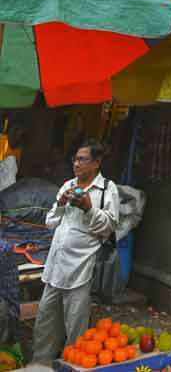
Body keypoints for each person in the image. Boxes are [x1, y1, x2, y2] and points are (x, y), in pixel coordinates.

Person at [33, 139, 119, 363]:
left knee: (76, 325)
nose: (76, 164)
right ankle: (40, 363)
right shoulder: (68, 185)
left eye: (82, 159)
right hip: (55, 266)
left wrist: (89, 208)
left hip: (81, 268)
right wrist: (61, 203)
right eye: (75, 159)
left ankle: (71, 365)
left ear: (96, 163)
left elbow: (109, 226)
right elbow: (50, 222)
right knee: (45, 319)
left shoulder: (107, 189)